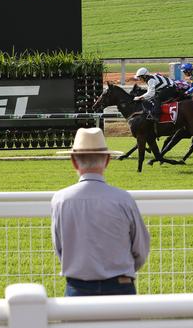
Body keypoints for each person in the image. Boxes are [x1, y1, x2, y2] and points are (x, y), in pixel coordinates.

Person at [51, 127, 150, 296]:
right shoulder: (123, 199)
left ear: (74, 161)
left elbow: (60, 247)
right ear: (107, 160)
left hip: (78, 286)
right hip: (120, 285)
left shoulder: (60, 200)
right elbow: (140, 248)